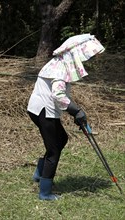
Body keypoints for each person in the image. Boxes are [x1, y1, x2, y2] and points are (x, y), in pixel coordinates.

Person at [27, 33, 105, 201]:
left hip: (42, 109)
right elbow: (58, 95)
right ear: (76, 53)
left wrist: (75, 111)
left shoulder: (61, 63)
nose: (88, 60)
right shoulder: (61, 67)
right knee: (54, 149)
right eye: (87, 56)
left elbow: (59, 95)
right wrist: (76, 111)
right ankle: (45, 192)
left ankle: (39, 174)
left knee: (61, 138)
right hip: (43, 110)